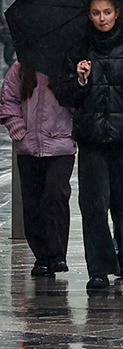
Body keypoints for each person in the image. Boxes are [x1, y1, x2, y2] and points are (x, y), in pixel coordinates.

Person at [54, 0, 123, 292]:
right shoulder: (78, 51)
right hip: (91, 140)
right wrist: (80, 80)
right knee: (93, 204)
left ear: (116, 13)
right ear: (89, 16)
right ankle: (98, 268)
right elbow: (64, 95)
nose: (102, 18)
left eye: (107, 12)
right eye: (96, 13)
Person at [0, 61, 75, 276]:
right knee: (32, 202)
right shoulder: (21, 68)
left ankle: (57, 254)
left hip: (60, 145)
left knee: (56, 194)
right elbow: (8, 101)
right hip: (28, 147)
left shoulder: (68, 66)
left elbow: (79, 103)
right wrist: (18, 128)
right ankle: (41, 256)